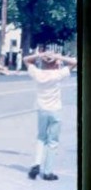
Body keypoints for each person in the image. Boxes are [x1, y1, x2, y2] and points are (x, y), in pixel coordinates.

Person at [23, 49, 77, 181]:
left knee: (41, 137)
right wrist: (58, 56)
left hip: (42, 110)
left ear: (43, 63)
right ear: (55, 63)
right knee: (52, 141)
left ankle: (36, 163)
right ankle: (48, 172)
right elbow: (74, 62)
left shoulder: (38, 73)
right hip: (55, 110)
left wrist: (40, 55)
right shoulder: (58, 74)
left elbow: (25, 59)